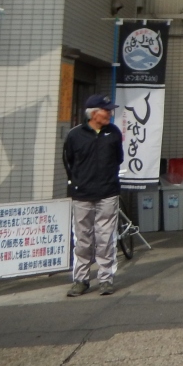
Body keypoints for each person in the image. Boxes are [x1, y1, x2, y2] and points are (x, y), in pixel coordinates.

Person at [62, 93, 124, 296]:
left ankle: (106, 279)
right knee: (83, 239)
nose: (110, 114)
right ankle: (81, 280)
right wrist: (77, 182)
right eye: (106, 110)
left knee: (106, 238)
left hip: (108, 192)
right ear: (94, 113)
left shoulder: (114, 132)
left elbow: (119, 158)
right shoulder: (75, 135)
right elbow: (68, 161)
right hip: (82, 194)